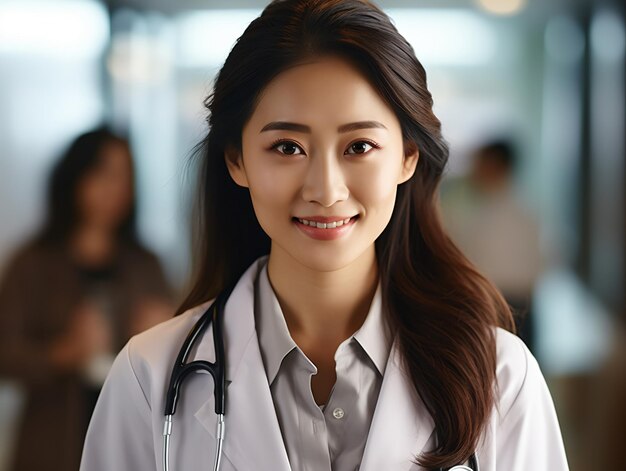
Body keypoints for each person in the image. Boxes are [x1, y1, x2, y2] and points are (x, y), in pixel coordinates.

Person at [80, 1, 569, 470]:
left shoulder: (500, 377)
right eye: (287, 147)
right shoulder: (148, 379)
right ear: (237, 160)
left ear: (407, 157)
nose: (325, 190)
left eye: (359, 145)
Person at [0, 127, 174, 471]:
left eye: (125, 176)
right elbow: (5, 354)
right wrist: (62, 353)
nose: (116, 189)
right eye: (104, 173)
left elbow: (183, 354)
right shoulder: (33, 263)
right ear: (75, 177)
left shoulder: (146, 264)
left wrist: (167, 335)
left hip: (130, 437)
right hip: (52, 440)